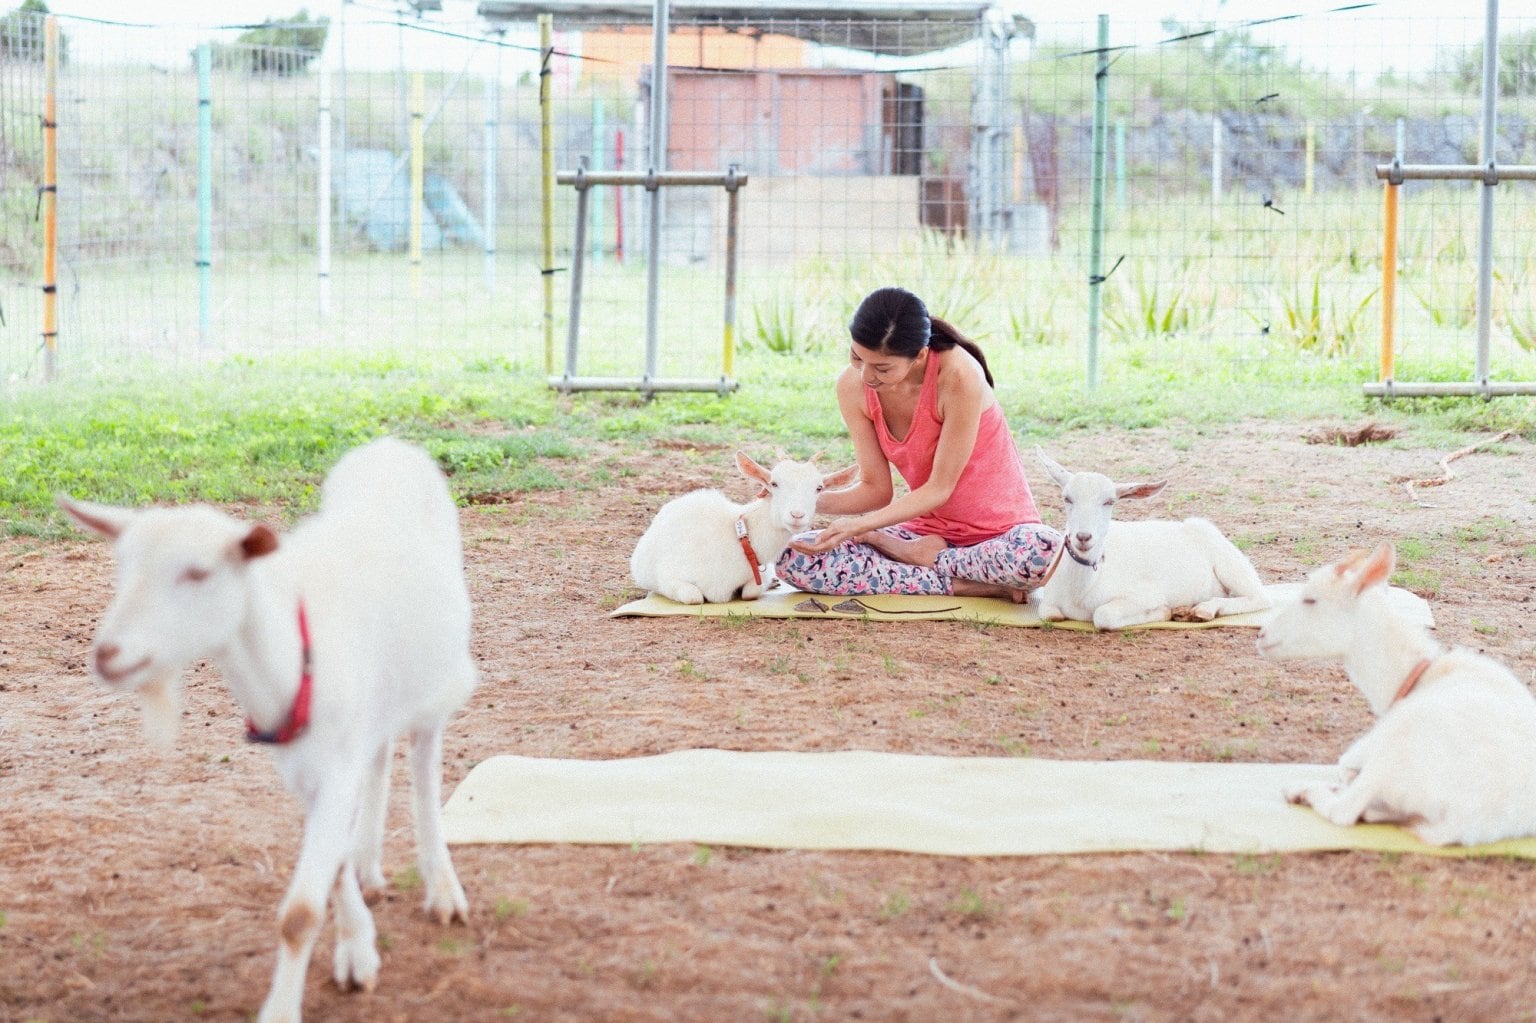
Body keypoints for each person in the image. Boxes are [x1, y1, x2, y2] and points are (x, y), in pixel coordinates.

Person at [775, 286, 1060, 602]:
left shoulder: (959, 376)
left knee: (1044, 553)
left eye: (882, 368)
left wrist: (866, 530)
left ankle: (927, 562)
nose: (866, 376)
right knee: (794, 559)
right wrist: (800, 498)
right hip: (923, 534)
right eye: (857, 357)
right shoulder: (852, 387)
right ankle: (970, 585)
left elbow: (940, 488)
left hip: (998, 538)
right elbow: (876, 490)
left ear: (920, 355)